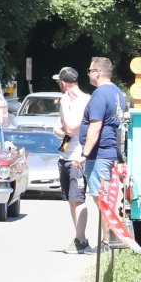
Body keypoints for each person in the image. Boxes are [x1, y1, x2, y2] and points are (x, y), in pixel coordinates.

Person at [69, 56, 125, 248]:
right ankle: (110, 240)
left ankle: (107, 242)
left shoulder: (100, 94)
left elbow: (95, 126)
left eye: (90, 70)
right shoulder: (117, 92)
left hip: (99, 155)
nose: (89, 74)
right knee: (106, 198)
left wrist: (84, 155)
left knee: (102, 199)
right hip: (110, 153)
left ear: (98, 72)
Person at [51, 67, 91, 252]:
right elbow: (58, 128)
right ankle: (79, 237)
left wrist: (64, 107)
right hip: (65, 156)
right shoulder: (66, 102)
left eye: (58, 83)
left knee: (78, 199)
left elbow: (71, 128)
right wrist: (63, 130)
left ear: (63, 83)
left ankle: (81, 240)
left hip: (77, 158)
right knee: (71, 200)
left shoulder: (84, 101)